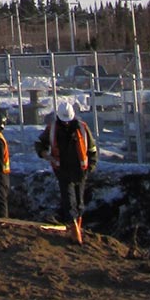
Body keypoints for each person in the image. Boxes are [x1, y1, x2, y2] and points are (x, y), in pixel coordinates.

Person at [48, 98, 96, 243]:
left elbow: (92, 149)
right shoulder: (53, 129)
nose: (66, 123)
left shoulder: (82, 128)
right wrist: (44, 153)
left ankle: (77, 227)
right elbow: (41, 143)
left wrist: (90, 167)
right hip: (63, 171)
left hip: (80, 171)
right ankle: (75, 232)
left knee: (79, 203)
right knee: (69, 201)